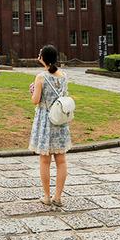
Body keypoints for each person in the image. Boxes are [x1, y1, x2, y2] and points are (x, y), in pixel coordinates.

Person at [29, 44, 71, 209]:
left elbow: (35, 100)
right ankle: (58, 197)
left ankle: (47, 196)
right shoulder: (64, 76)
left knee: (45, 160)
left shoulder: (41, 77)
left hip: (46, 120)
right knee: (61, 160)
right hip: (60, 121)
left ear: (43, 58)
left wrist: (32, 91)